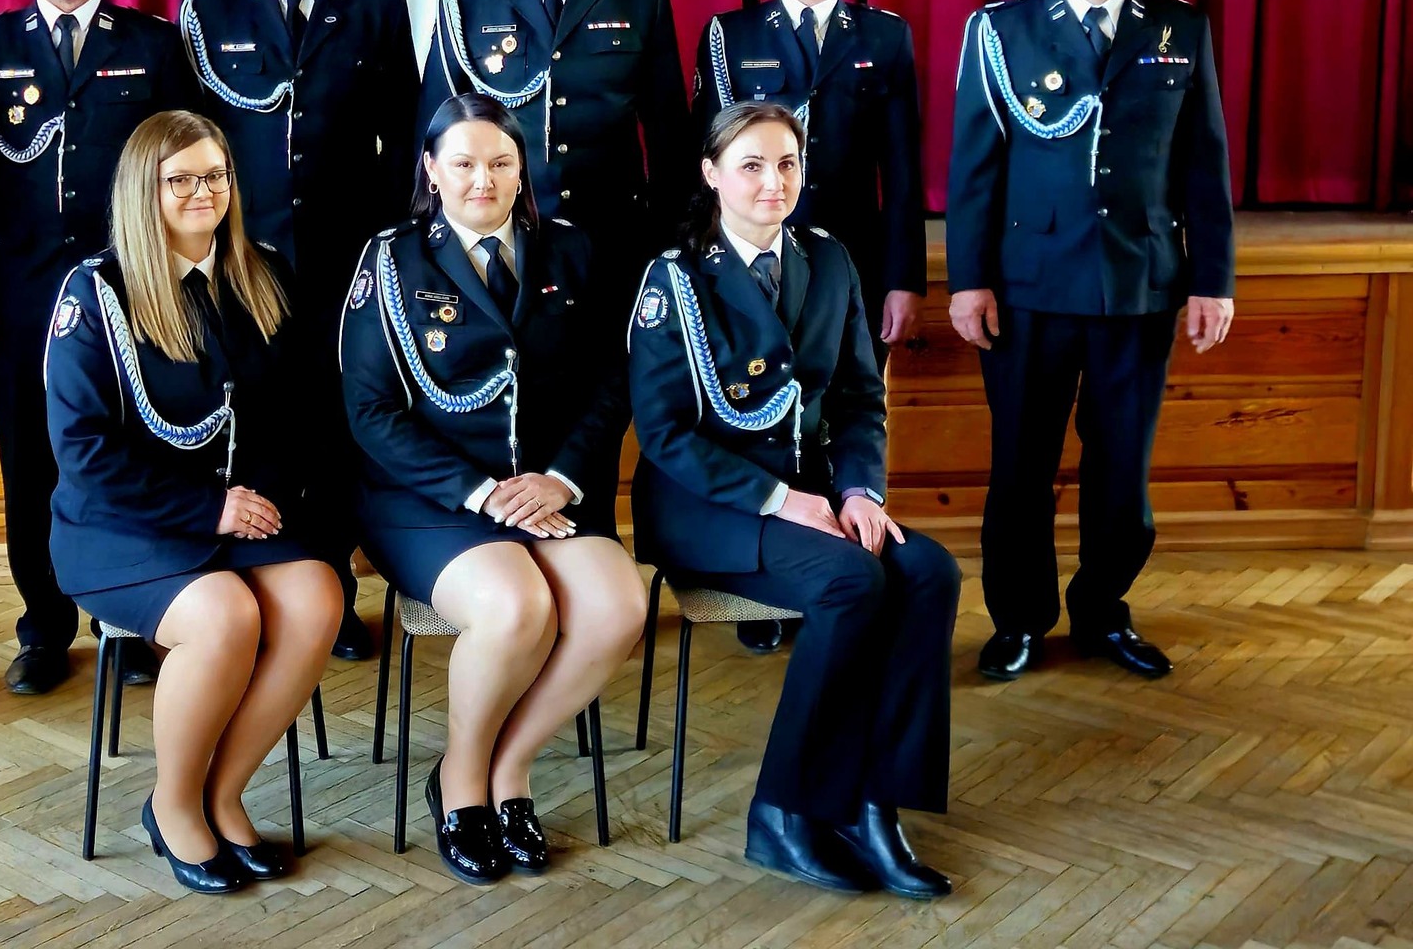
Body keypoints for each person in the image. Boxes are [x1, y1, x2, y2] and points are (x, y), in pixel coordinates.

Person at [629, 102, 958, 898]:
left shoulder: (830, 259)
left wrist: (859, 489)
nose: (773, 182)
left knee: (930, 572)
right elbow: (666, 435)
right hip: (705, 505)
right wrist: (782, 499)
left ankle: (872, 804)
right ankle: (782, 813)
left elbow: (856, 395)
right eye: (751, 165)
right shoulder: (674, 277)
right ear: (711, 175)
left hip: (813, 494)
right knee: (852, 582)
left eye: (787, 164)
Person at [341, 93, 646, 884]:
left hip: (548, 488)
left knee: (619, 606)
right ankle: (462, 786)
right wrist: (479, 491)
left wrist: (561, 477)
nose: (485, 179)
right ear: (432, 169)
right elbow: (369, 412)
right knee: (517, 606)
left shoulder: (572, 252)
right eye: (466, 162)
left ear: (523, 170)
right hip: (430, 498)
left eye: (502, 163)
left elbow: (614, 384)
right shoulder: (391, 258)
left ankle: (508, 766)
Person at [948, 0, 1235, 683]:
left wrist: (1214, 280)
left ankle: (1104, 611)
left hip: (1139, 287)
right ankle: (1021, 620)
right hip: (1028, 289)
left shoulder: (1179, 28)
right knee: (1021, 470)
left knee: (1122, 472)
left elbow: (1203, 168)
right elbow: (973, 166)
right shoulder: (1003, 33)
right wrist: (969, 280)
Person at [47, 110, 342, 894]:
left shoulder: (263, 270)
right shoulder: (97, 294)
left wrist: (279, 504)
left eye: (214, 175)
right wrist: (207, 508)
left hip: (243, 508)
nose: (200, 192)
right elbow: (84, 453)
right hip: (124, 525)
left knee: (317, 599)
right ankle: (172, 804)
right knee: (225, 617)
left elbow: (303, 412)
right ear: (145, 191)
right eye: (178, 179)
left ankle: (224, 791)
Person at [0, 0, 195, 695]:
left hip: (132, 298)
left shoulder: (154, 45)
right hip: (19, 303)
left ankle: (127, 622)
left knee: (131, 457)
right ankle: (44, 626)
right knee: (32, 467)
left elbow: (179, 170)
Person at [179, 0, 419, 660]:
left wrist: (389, 242)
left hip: (348, 262)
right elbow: (188, 141)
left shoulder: (378, 8)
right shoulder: (208, 11)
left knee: (340, 432)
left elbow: (406, 139)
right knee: (264, 430)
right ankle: (263, 585)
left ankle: (337, 595)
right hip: (243, 266)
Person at [691, 0, 927, 654]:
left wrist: (904, 277)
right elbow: (713, 153)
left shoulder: (884, 35)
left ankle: (837, 568)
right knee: (755, 413)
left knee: (833, 415)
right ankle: (772, 580)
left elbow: (904, 167)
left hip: (845, 267)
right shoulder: (733, 34)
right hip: (752, 260)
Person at [419, 0, 688, 316]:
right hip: (500, 235)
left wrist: (675, 238)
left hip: (615, 238)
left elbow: (669, 131)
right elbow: (435, 128)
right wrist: (428, 237)